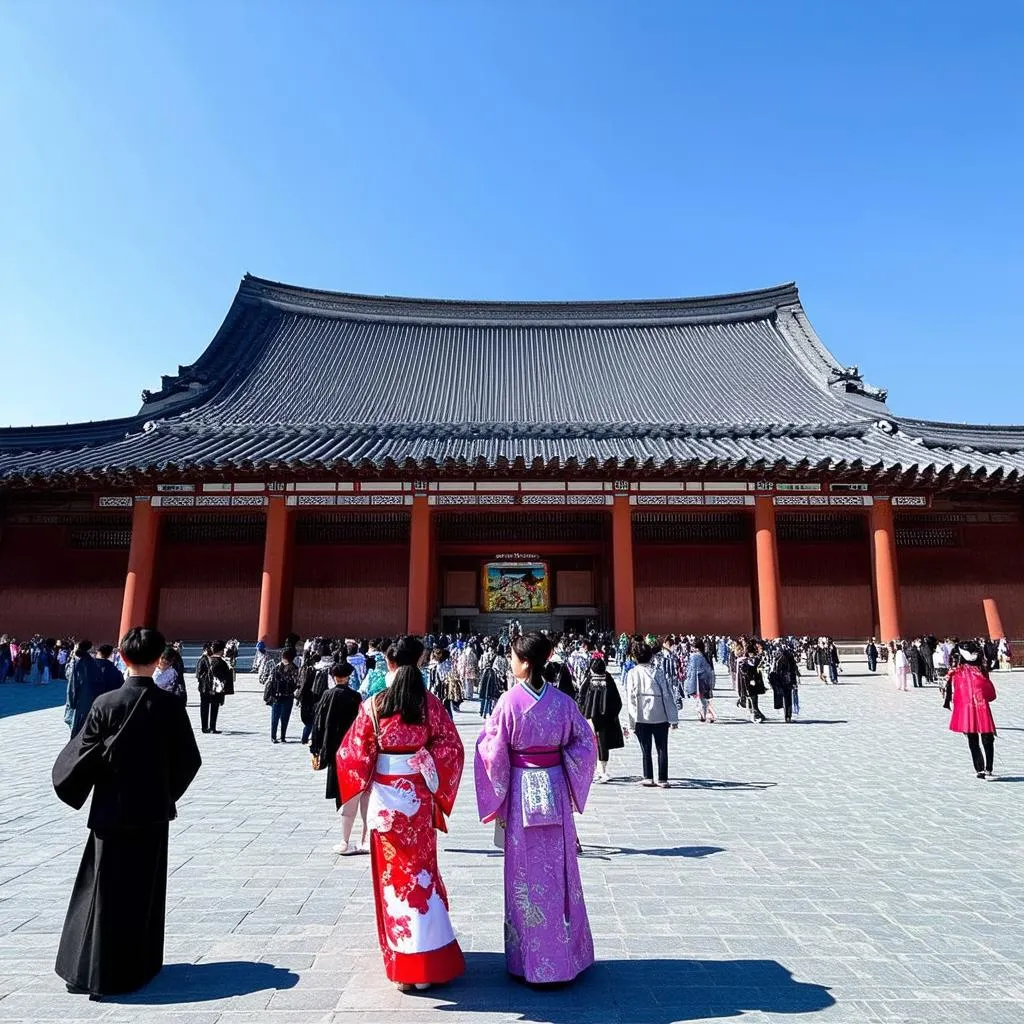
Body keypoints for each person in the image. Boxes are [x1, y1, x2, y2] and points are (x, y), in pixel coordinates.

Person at [51, 626, 201, 999]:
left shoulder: (105, 704)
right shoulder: (169, 705)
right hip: (151, 814)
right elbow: (189, 761)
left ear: (123, 655)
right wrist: (164, 793)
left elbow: (81, 756)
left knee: (102, 889)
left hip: (110, 812)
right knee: (143, 891)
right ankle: (139, 964)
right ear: (159, 657)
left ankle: (93, 971)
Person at [337, 648, 465, 992]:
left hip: (385, 801)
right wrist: (423, 760)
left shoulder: (374, 706)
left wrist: (361, 782)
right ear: (419, 662)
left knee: (393, 878)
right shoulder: (429, 704)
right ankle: (431, 955)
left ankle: (406, 963)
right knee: (422, 873)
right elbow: (452, 746)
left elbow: (351, 754)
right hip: (418, 801)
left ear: (389, 664)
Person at [475, 631, 597, 984]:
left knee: (524, 875)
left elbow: (490, 751)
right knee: (560, 871)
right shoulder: (562, 702)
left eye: (513, 656)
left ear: (525, 661)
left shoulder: (508, 702)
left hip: (519, 790)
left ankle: (526, 960)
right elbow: (585, 743)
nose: (510, 662)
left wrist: (500, 765)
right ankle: (565, 957)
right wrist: (561, 762)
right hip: (555, 787)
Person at [309, 661, 366, 853]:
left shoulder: (327, 695)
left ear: (334, 677)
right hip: (351, 747)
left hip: (332, 746)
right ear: (349, 676)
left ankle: (344, 824)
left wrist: (315, 748)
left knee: (338, 783)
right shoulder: (355, 696)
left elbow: (318, 723)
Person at [625, 641, 680, 785]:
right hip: (660, 715)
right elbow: (668, 695)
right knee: (662, 748)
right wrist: (673, 718)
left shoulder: (632, 673)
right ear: (651, 657)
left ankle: (648, 776)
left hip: (641, 716)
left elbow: (630, 699)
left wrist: (631, 722)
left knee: (646, 749)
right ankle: (663, 778)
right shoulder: (658, 672)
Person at [948, 641, 998, 778]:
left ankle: (980, 769)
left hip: (967, 709)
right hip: (981, 707)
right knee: (986, 738)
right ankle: (987, 768)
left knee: (973, 740)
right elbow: (991, 693)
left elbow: (955, 692)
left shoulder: (958, 672)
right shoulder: (980, 671)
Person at [577, 657, 624, 782]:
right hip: (606, 718)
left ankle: (593, 770)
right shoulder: (608, 679)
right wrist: (613, 715)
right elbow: (617, 701)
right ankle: (602, 770)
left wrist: (582, 714)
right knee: (603, 744)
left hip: (589, 717)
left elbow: (580, 698)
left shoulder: (588, 679)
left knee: (591, 744)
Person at [66, 641, 120, 736]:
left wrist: (72, 703)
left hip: (84, 707)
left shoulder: (81, 664)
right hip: (105, 710)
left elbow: (72, 687)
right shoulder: (114, 671)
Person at [264, 648, 299, 743]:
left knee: (285, 717)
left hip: (288, 695)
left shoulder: (294, 669)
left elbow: (297, 682)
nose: (284, 659)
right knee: (275, 717)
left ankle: (282, 736)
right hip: (277, 695)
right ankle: (273, 736)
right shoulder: (277, 667)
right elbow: (270, 681)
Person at [197, 641, 231, 734]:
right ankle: (212, 727)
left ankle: (204, 727)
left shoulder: (203, 659)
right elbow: (226, 677)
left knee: (204, 707)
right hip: (216, 688)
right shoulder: (222, 663)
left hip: (204, 687)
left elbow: (198, 674)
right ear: (221, 650)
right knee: (214, 707)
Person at [683, 638, 716, 723]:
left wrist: (689, 681)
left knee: (699, 698)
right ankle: (707, 713)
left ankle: (703, 714)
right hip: (706, 678)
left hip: (697, 679)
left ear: (696, 648)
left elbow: (691, 669)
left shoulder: (694, 656)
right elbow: (710, 668)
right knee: (705, 697)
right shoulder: (706, 655)